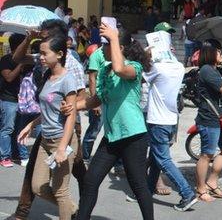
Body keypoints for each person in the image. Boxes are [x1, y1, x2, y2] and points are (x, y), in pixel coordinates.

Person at [69, 23, 154, 220]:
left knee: (138, 185)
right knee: (90, 180)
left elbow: (120, 69)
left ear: (119, 47)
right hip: (112, 137)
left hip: (133, 137)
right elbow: (97, 99)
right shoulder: (106, 69)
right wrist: (74, 106)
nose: (101, 49)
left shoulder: (134, 68)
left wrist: (114, 37)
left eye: (105, 45)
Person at [12, 19, 87, 220]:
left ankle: (83, 206)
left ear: (58, 43)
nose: (41, 42)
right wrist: (32, 123)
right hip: (47, 130)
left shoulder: (71, 68)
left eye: (44, 37)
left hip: (66, 131)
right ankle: (73, 208)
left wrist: (70, 107)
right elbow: (17, 58)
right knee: (37, 183)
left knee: (72, 179)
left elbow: (81, 100)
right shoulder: (45, 57)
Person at [143, 33, 197, 211]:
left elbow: (139, 74)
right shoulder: (178, 66)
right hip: (171, 118)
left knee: (163, 159)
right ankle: (147, 190)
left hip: (158, 119)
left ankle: (187, 193)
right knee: (155, 157)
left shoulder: (157, 67)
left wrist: (146, 54)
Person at [194, 39, 222, 202]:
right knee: (207, 155)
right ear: (210, 52)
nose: (221, 54)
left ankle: (212, 181)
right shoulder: (206, 70)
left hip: (221, 119)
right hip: (209, 119)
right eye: (219, 51)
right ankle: (200, 189)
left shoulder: (214, 70)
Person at [0, 33, 25, 167]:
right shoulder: (6, 60)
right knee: (7, 128)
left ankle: (15, 152)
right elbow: (9, 77)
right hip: (8, 99)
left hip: (21, 99)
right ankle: (5, 156)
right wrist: (20, 66)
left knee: (17, 128)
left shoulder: (26, 59)